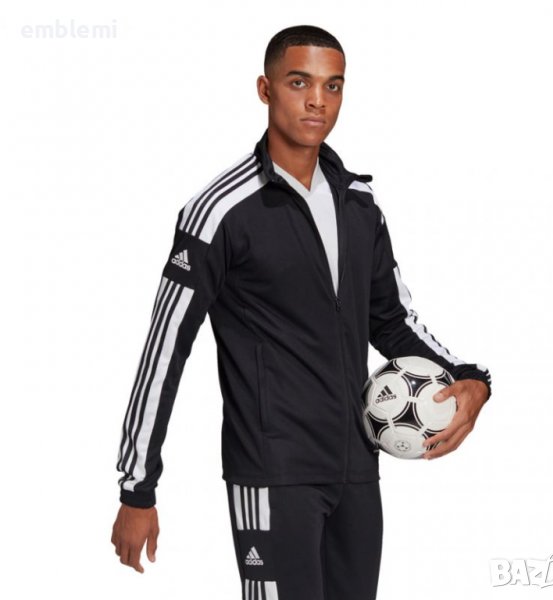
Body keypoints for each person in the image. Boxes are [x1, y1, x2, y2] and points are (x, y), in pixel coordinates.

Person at [111, 24, 492, 600]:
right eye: (299, 82)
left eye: (333, 85)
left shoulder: (358, 202)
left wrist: (470, 377)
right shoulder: (220, 211)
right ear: (265, 90)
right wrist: (137, 489)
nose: (318, 100)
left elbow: (391, 320)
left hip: (358, 468)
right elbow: (165, 350)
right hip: (274, 472)